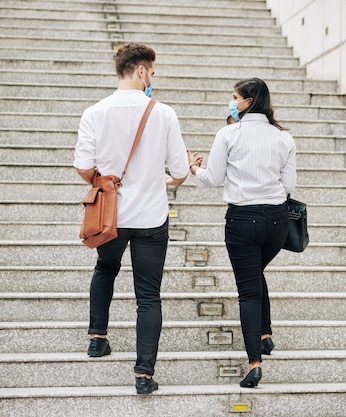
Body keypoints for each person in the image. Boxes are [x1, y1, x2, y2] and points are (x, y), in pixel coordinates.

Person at [73, 42, 189, 395]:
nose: (152, 78)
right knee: (148, 296)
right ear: (141, 70)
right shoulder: (164, 113)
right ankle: (143, 374)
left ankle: (97, 338)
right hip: (151, 217)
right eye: (151, 72)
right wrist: (165, 178)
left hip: (111, 215)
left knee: (105, 269)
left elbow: (82, 166)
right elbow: (180, 170)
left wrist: (105, 180)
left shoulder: (95, 112)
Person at [188, 77, 297, 388]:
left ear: (248, 101)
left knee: (248, 290)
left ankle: (254, 363)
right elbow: (288, 185)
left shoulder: (228, 134)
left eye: (235, 97)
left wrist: (193, 167)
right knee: (255, 274)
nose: (232, 102)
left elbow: (212, 178)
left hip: (242, 220)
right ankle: (265, 334)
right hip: (277, 221)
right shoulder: (283, 138)